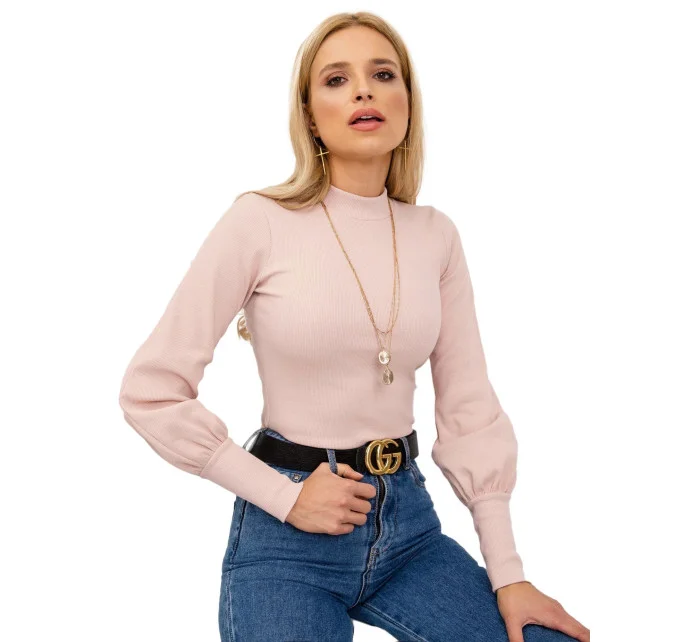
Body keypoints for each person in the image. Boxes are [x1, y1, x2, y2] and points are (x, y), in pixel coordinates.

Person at [118, 11, 589, 642]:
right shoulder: (258, 221)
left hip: (410, 532)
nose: (363, 90)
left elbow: (470, 410)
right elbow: (151, 391)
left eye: (383, 74)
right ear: (310, 116)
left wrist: (508, 575)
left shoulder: (435, 235)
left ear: (407, 103)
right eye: (337, 80)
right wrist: (285, 498)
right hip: (287, 537)